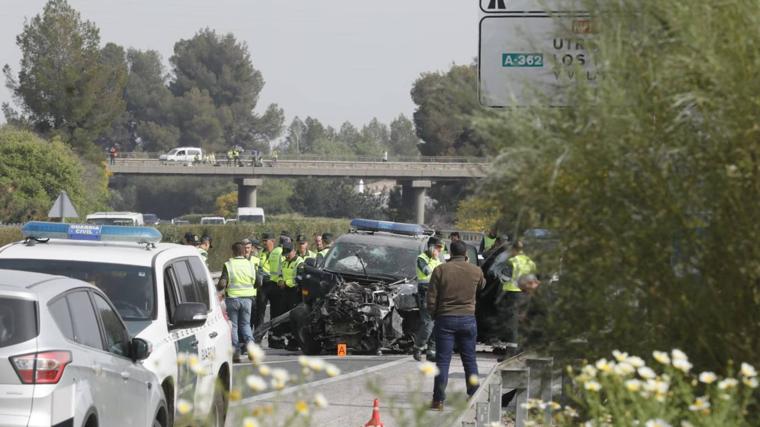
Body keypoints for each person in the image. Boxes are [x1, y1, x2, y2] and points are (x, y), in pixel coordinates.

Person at [427, 240, 485, 410]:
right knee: (470, 360)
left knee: (443, 361)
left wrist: (434, 315)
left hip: (445, 319)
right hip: (468, 319)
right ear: (465, 253)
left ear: (450, 253)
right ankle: (473, 396)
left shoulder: (440, 270)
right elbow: (483, 286)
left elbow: (431, 298)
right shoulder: (476, 270)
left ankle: (438, 401)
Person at [216, 242, 256, 361]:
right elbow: (258, 282)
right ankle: (252, 349)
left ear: (233, 252)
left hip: (232, 298)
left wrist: (218, 289)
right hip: (247, 299)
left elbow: (222, 283)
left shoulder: (229, 264)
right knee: (245, 324)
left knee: (233, 326)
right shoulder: (250, 264)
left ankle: (236, 353)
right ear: (244, 251)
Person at [496, 240, 537, 357]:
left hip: (512, 292)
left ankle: (511, 352)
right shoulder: (530, 262)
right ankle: (522, 349)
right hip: (526, 294)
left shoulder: (511, 261)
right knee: (522, 321)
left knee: (511, 323)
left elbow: (503, 277)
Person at [413, 236, 444, 362]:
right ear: (431, 247)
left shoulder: (439, 259)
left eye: (440, 248)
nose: (439, 251)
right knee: (428, 323)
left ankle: (431, 351)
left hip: (438, 292)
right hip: (425, 292)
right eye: (437, 247)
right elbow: (426, 271)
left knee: (437, 323)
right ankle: (418, 347)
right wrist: (434, 259)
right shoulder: (422, 258)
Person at [272, 241, 303, 351]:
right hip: (285, 293)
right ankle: (290, 340)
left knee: (294, 318)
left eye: (288, 253)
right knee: (285, 319)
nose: (286, 255)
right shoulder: (284, 262)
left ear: (294, 251)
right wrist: (280, 281)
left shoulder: (299, 262)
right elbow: (280, 274)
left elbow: (299, 278)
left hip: (295, 293)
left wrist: (287, 283)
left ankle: (296, 341)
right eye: (285, 253)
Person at [253, 233, 276, 342]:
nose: (264, 243)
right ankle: (258, 336)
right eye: (263, 241)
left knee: (275, 312)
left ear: (272, 241)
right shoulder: (261, 253)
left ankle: (273, 337)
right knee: (260, 312)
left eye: (265, 241)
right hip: (263, 286)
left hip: (275, 284)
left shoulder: (278, 252)